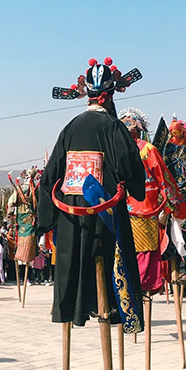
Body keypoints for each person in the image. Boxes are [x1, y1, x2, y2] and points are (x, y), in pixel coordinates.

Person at [38, 57, 146, 328]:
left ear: (88, 95)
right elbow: (131, 165)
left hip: (70, 223)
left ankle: (69, 309)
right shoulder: (113, 126)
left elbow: (49, 176)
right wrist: (136, 191)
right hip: (103, 223)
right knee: (113, 261)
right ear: (108, 98)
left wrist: (47, 220)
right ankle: (113, 308)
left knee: (70, 260)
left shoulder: (69, 128)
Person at [117, 107, 186, 297]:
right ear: (139, 130)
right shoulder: (147, 149)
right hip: (144, 210)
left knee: (124, 253)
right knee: (144, 253)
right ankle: (141, 288)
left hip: (118, 210)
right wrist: (177, 205)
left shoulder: (114, 150)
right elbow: (164, 178)